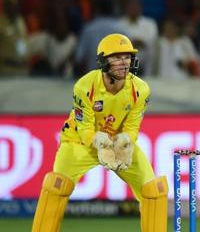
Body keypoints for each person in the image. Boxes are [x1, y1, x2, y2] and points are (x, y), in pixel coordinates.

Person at [31, 33, 168, 232]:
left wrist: (124, 142)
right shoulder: (84, 86)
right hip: (79, 142)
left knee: (153, 191)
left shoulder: (140, 89)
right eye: (117, 57)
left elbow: (132, 127)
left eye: (127, 57)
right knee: (56, 186)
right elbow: (85, 128)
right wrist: (100, 143)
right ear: (104, 61)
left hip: (116, 142)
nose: (124, 63)